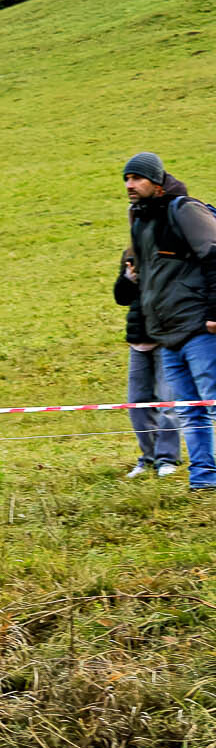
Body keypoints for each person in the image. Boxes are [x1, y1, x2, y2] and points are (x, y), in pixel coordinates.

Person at [123, 152, 216, 493]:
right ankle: (204, 479)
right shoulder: (140, 220)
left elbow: (215, 256)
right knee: (190, 411)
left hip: (200, 328)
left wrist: (214, 313)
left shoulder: (184, 209)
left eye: (137, 178)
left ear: (157, 181)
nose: (130, 185)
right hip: (167, 336)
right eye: (126, 179)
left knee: (214, 402)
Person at [116, 246, 182, 478]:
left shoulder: (172, 250)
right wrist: (128, 279)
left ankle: (167, 458)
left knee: (168, 401)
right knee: (136, 403)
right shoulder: (130, 254)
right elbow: (121, 298)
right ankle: (148, 457)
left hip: (165, 338)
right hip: (138, 340)